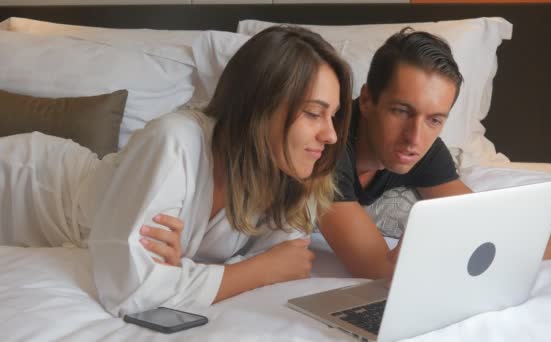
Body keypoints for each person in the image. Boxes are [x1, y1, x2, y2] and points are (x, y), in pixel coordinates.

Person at [0, 25, 352, 316]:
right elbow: (128, 289)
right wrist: (253, 272)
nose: (331, 134)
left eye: (332, 115)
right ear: (261, 107)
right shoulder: (176, 141)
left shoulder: (286, 172)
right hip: (25, 183)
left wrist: (184, 267)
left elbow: (288, 257)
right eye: (313, 113)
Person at [316, 28, 551, 279]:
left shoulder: (423, 149)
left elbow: (478, 220)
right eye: (401, 111)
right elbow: (381, 271)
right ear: (366, 100)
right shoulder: (324, 146)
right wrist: (534, 251)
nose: (414, 138)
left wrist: (532, 236)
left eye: (434, 120)